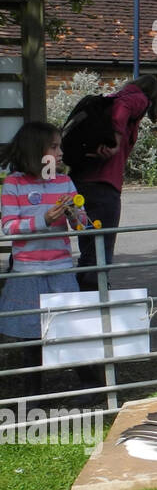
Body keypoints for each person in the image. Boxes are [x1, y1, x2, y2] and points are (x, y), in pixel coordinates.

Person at [68, 74, 157, 288]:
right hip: (104, 188)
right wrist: (116, 139)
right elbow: (124, 107)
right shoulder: (138, 98)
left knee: (88, 249)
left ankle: (83, 296)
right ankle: (96, 300)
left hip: (79, 185)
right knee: (101, 251)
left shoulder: (109, 101)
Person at [0, 123, 82, 363]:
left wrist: (74, 215)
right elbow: (8, 228)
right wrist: (43, 220)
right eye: (54, 147)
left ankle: (90, 382)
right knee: (32, 336)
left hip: (62, 269)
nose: (60, 153)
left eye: (60, 147)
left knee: (70, 329)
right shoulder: (14, 183)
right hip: (28, 271)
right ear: (35, 151)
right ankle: (33, 393)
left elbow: (82, 225)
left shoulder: (65, 181)